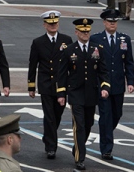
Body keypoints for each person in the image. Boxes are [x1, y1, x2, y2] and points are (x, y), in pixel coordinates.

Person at [56, 18, 109, 170]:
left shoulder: (97, 49)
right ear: (76, 32)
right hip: (75, 93)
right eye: (82, 31)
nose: (85, 34)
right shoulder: (69, 50)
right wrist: (61, 94)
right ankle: (80, 158)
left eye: (87, 31)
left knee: (88, 124)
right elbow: (62, 74)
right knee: (78, 125)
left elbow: (103, 71)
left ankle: (77, 147)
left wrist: (105, 87)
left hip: (91, 93)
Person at [27, 10, 71, 159]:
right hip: (46, 84)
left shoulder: (66, 40)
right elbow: (33, 65)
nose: (53, 26)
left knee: (58, 114)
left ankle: (48, 136)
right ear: (44, 25)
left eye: (55, 23)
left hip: (62, 84)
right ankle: (51, 147)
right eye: (50, 23)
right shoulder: (38, 42)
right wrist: (31, 86)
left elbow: (72, 63)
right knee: (49, 116)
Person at [91, 9, 134, 161]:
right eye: (110, 21)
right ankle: (106, 149)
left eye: (114, 22)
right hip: (102, 85)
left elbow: (128, 62)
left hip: (117, 84)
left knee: (117, 114)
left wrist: (130, 82)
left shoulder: (124, 39)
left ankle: (107, 131)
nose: (112, 24)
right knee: (105, 116)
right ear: (104, 23)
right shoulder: (96, 39)